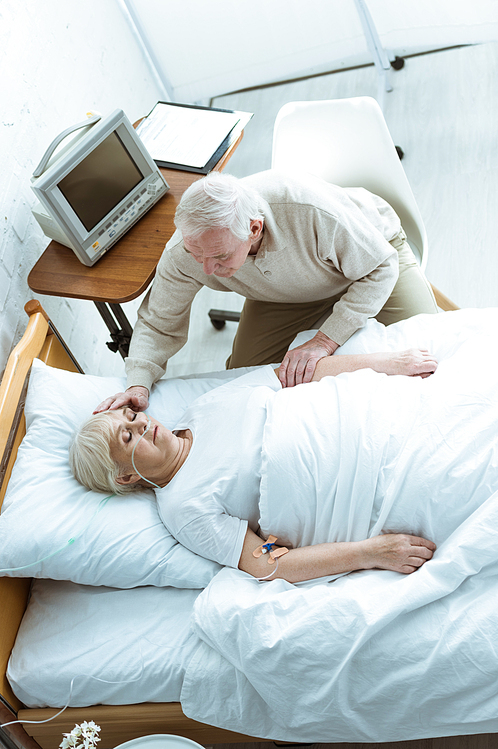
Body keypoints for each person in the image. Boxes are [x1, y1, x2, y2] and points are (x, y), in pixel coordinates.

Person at [72, 348, 440, 584]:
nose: (140, 423)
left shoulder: (204, 407)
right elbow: (266, 561)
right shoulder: (183, 509)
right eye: (126, 437)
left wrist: (389, 365)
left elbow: (293, 375)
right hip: (375, 479)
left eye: (132, 414)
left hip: (374, 408)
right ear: (127, 475)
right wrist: (371, 552)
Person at [95, 170, 438, 415]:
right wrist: (138, 383)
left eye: (220, 257)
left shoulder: (309, 210)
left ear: (253, 228)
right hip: (286, 294)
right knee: (245, 379)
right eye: (197, 255)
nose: (206, 270)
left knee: (434, 347)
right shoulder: (191, 251)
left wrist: (324, 341)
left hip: (371, 262)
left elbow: (380, 267)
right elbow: (159, 322)